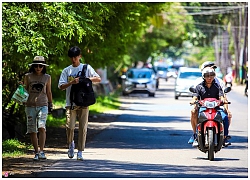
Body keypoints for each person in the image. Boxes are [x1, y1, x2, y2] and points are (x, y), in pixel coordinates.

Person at [58, 46, 101, 161]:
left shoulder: (86, 68)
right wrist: (71, 82)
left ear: (80, 56)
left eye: (76, 57)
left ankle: (80, 151)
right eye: (72, 57)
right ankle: (70, 143)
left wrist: (85, 79)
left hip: (84, 102)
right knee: (70, 126)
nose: (74, 59)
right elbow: (61, 86)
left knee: (83, 127)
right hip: (70, 102)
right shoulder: (67, 70)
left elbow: (98, 79)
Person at [188, 61, 232, 147]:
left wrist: (226, 107)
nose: (209, 77)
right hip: (203, 106)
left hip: (216, 107)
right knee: (194, 112)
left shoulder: (218, 84)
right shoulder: (199, 84)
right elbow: (195, 96)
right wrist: (194, 103)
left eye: (212, 74)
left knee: (226, 116)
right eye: (207, 75)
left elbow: (222, 96)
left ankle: (224, 136)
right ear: (203, 74)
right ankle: (196, 135)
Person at [24, 56, 53, 161]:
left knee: (41, 127)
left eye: (40, 66)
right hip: (30, 105)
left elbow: (49, 91)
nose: (38, 68)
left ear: (43, 67)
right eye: (36, 66)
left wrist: (50, 103)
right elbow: (25, 89)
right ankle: (36, 152)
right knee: (32, 130)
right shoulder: (28, 76)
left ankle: (42, 151)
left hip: (43, 104)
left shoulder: (47, 77)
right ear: (33, 66)